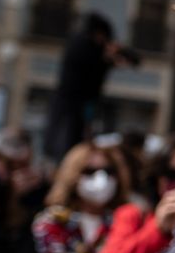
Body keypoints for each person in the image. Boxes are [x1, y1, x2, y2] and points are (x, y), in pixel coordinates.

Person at [44, 13, 136, 162]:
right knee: (69, 137)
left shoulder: (89, 47)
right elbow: (91, 66)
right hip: (74, 101)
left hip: (82, 101)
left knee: (75, 135)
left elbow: (132, 59)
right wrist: (108, 58)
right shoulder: (83, 47)